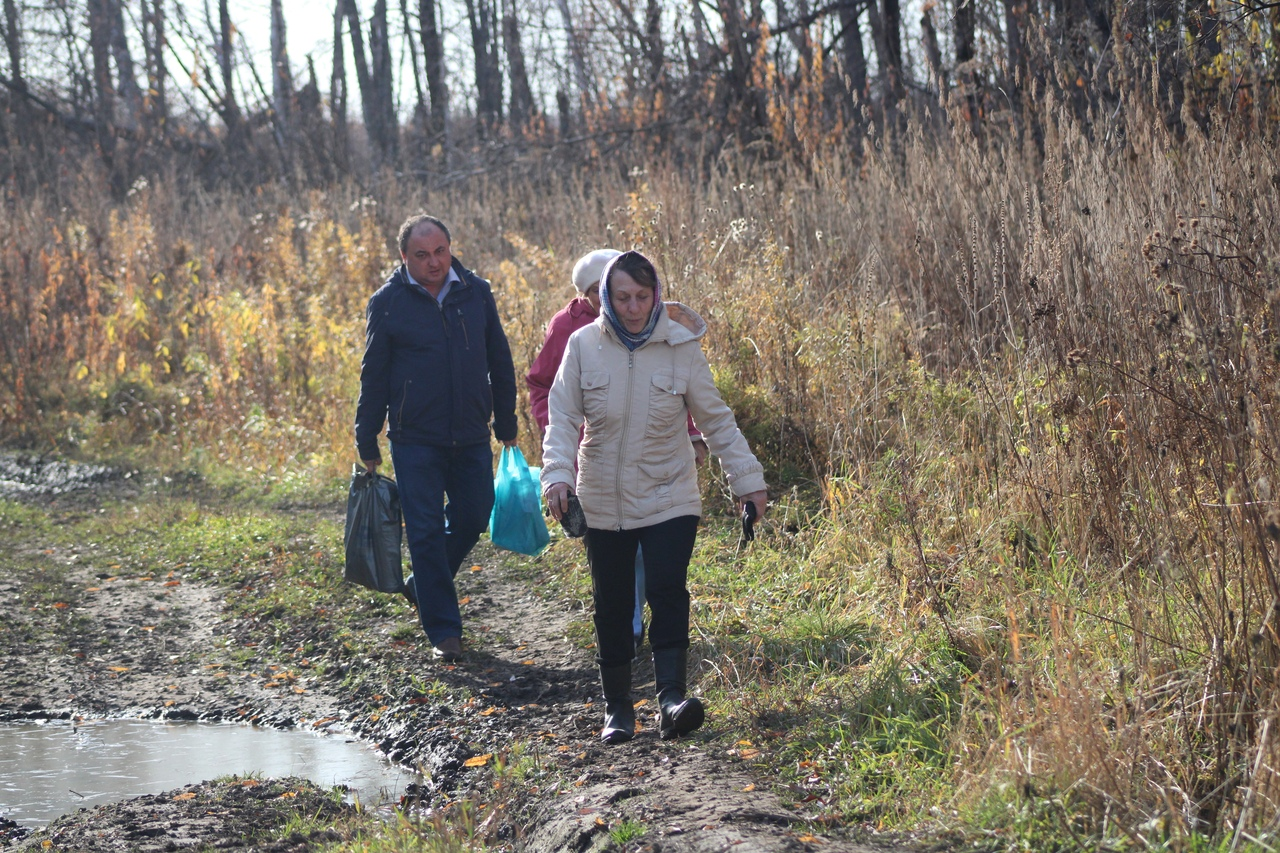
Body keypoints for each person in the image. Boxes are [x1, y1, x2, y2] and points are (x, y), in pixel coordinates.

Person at [540, 250, 768, 744]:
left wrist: (748, 481)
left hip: (670, 490)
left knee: (668, 591)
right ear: (605, 296)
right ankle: (618, 708)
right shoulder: (582, 346)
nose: (635, 307)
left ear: (656, 294)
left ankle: (670, 699)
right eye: (623, 297)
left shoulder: (681, 348)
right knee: (613, 601)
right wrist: (557, 475)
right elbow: (561, 419)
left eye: (643, 296)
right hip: (602, 494)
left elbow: (716, 420)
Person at [526, 250, 709, 656]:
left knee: (658, 565)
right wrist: (560, 460)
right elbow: (553, 396)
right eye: (600, 293)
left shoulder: (670, 336)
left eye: (640, 296)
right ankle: (623, 638)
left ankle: (651, 650)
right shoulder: (572, 332)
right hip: (598, 462)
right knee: (614, 577)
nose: (629, 305)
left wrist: (693, 434)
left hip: (661, 472)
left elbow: (685, 394)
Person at [354, 213, 519, 663]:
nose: (434, 262)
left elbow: (499, 360)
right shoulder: (387, 303)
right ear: (404, 257)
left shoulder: (476, 293)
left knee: (474, 513)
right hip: (413, 438)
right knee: (425, 532)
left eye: (441, 251)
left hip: (469, 432)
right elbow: (374, 375)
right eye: (423, 255)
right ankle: (445, 632)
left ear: (451, 247)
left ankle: (421, 584)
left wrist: (506, 421)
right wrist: (366, 437)